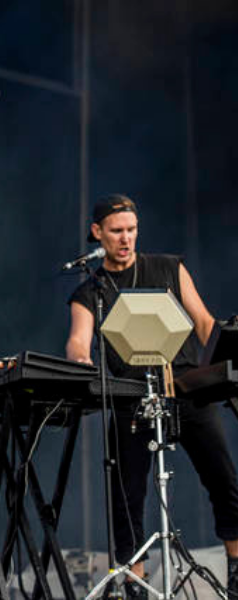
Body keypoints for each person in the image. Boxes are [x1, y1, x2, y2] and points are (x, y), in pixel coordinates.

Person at [65, 194, 238, 599]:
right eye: (116, 232)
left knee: (224, 479)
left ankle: (236, 570)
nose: (125, 239)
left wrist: (224, 362)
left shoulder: (168, 268)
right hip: (130, 395)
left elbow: (203, 322)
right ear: (97, 233)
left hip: (186, 387)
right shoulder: (90, 291)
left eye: (131, 231)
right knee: (127, 495)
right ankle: (134, 584)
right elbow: (78, 341)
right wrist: (80, 361)